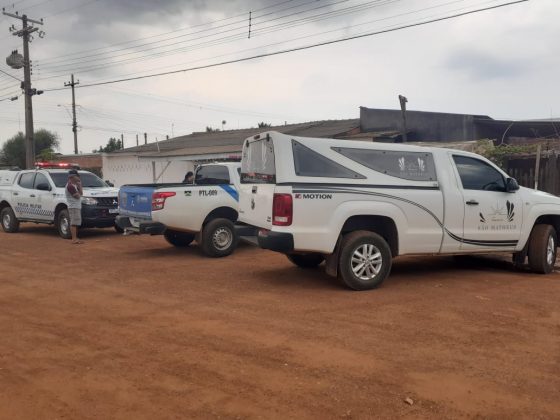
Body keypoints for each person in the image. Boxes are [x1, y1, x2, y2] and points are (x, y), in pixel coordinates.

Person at [65, 169, 83, 244]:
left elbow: (81, 193)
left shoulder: (74, 185)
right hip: (73, 206)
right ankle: (74, 239)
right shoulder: (70, 186)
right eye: (77, 176)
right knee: (74, 223)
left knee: (76, 222)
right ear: (72, 177)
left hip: (76, 206)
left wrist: (79, 186)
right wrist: (79, 187)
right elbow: (78, 196)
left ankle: (75, 238)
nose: (79, 177)